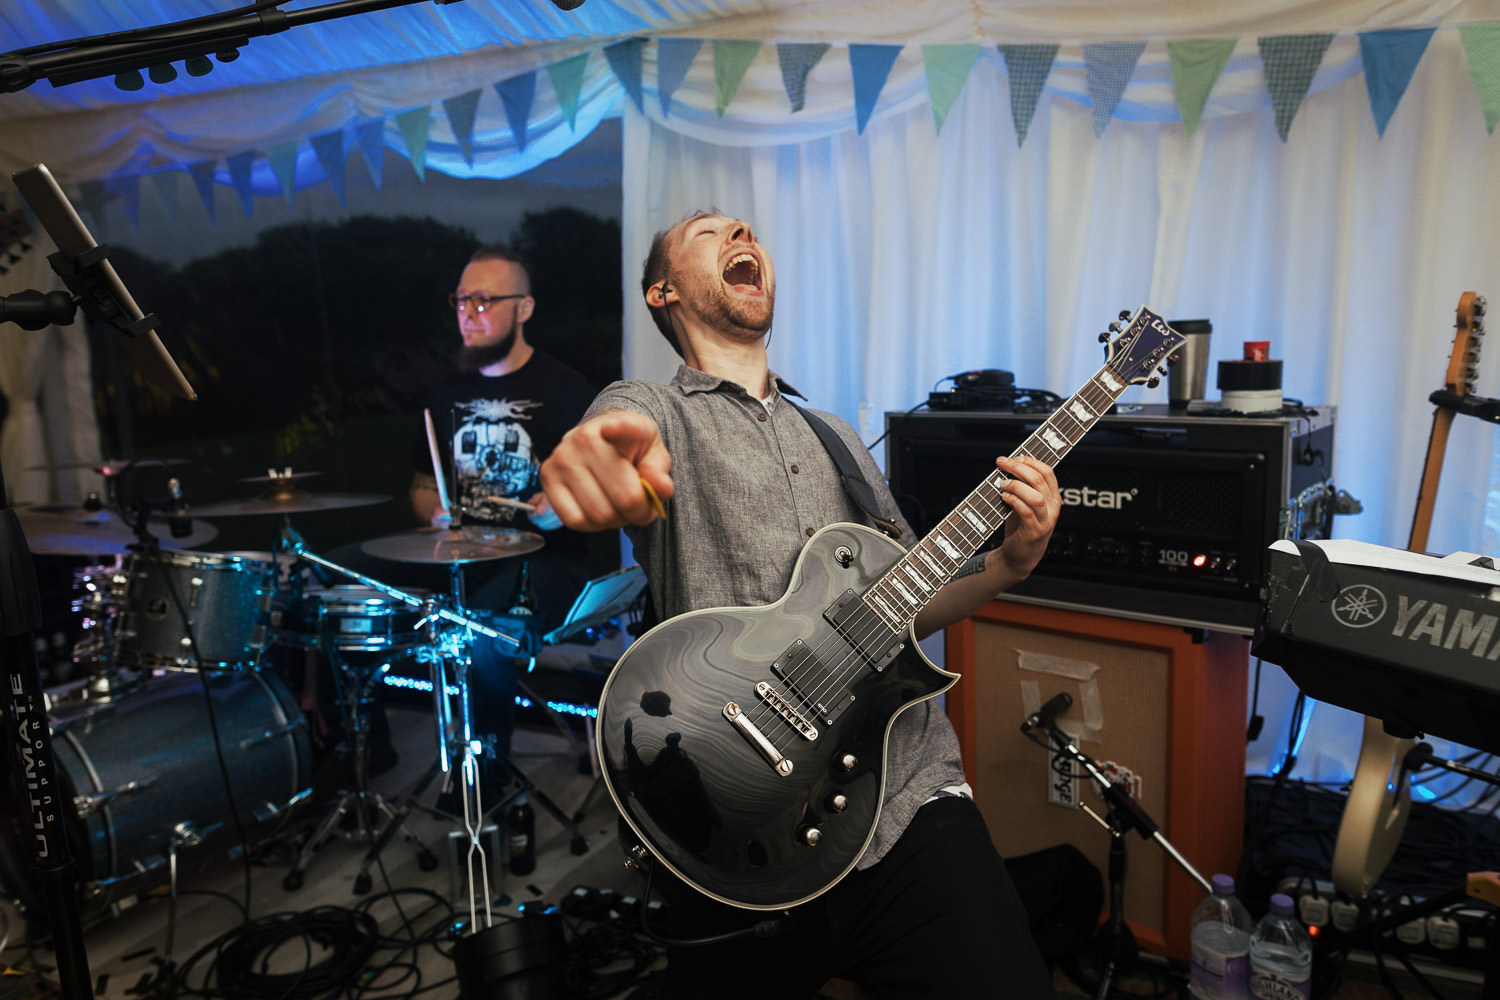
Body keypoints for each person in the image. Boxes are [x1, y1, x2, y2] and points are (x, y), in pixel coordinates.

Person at [539, 213, 1062, 999]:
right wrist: (599, 448)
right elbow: (618, 428)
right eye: (709, 231)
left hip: (904, 801)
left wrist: (1007, 566)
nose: (740, 229)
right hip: (738, 817)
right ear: (664, 290)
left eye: (744, 226)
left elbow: (897, 615)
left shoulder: (839, 439)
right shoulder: (656, 406)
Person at [407, 244, 595, 789]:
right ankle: (358, 747)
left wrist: (564, 508)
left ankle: (484, 781)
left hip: (546, 562)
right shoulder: (444, 395)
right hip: (461, 558)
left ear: (524, 309)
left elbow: (602, 497)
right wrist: (433, 512)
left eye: (485, 299)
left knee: (481, 633)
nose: (468, 311)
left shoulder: (568, 392)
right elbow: (421, 486)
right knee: (336, 581)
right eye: (461, 299)